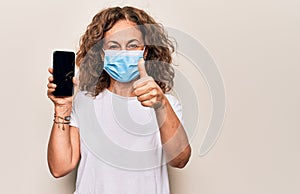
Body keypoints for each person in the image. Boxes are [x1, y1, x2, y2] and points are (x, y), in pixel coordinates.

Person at [47, 6, 191, 194]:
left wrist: (161, 104)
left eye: (132, 45)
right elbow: (59, 168)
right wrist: (62, 109)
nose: (123, 53)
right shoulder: (83, 101)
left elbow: (179, 160)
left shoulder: (166, 104)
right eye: (114, 46)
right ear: (101, 53)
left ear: (145, 51)